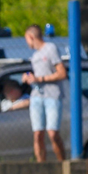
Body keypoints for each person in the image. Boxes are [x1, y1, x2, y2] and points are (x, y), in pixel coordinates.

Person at [22, 24, 67, 162]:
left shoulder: (50, 49)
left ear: (31, 37)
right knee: (38, 134)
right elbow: (38, 74)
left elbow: (62, 73)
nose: (27, 43)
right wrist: (29, 78)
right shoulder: (35, 56)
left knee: (52, 133)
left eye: (27, 39)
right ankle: (41, 166)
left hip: (52, 96)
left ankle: (62, 163)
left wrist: (40, 79)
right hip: (37, 96)